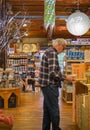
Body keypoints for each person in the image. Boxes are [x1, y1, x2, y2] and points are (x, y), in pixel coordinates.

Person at [39, 38, 75, 130]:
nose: (63, 50)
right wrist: (66, 78)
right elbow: (53, 73)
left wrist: (63, 75)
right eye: (64, 47)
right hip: (50, 85)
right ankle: (56, 128)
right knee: (54, 109)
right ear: (59, 45)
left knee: (47, 109)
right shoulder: (52, 53)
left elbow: (53, 70)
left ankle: (45, 128)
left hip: (46, 85)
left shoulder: (49, 51)